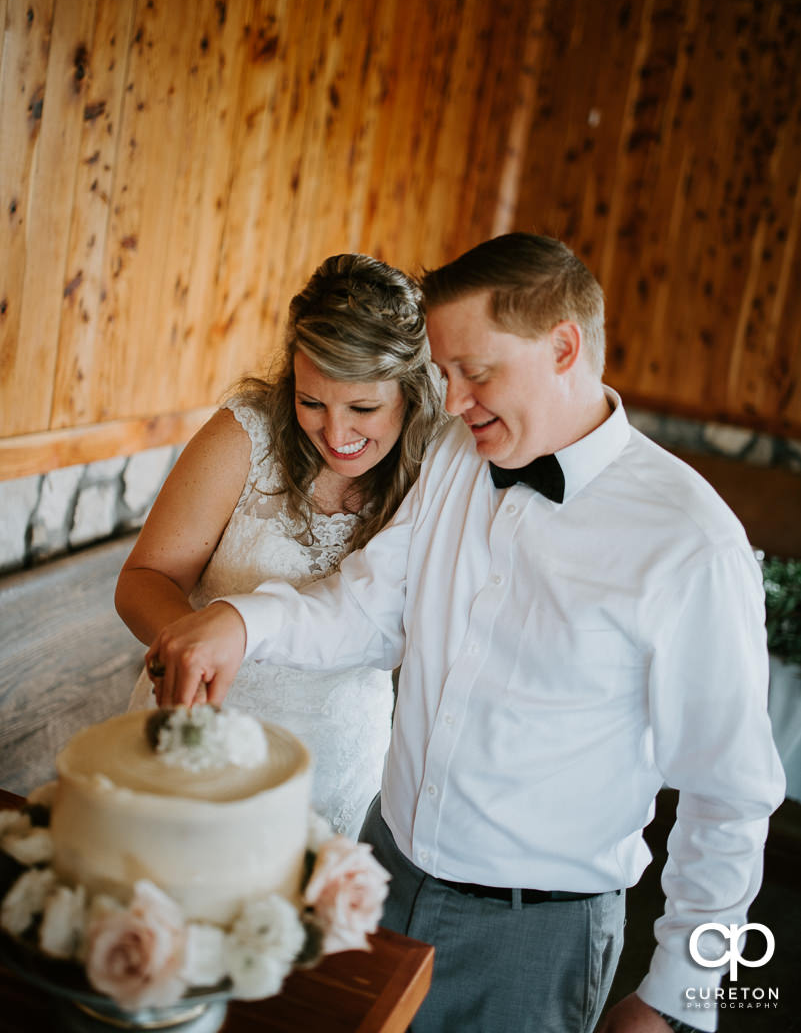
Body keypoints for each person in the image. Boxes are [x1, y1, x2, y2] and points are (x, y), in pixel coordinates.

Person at [144, 233, 784, 1033]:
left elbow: (730, 796)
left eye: (474, 373)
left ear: (563, 347)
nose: (449, 402)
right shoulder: (453, 454)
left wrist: (677, 996)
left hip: (537, 935)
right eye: (442, 374)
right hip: (377, 872)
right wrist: (241, 621)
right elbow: (367, 608)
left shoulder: (691, 544)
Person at [115, 252, 444, 838]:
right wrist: (195, 647)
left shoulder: (439, 471)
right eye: (311, 401)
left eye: (363, 408)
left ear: (411, 392)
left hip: (335, 766)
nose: (336, 434)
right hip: (199, 738)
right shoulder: (246, 434)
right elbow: (144, 578)